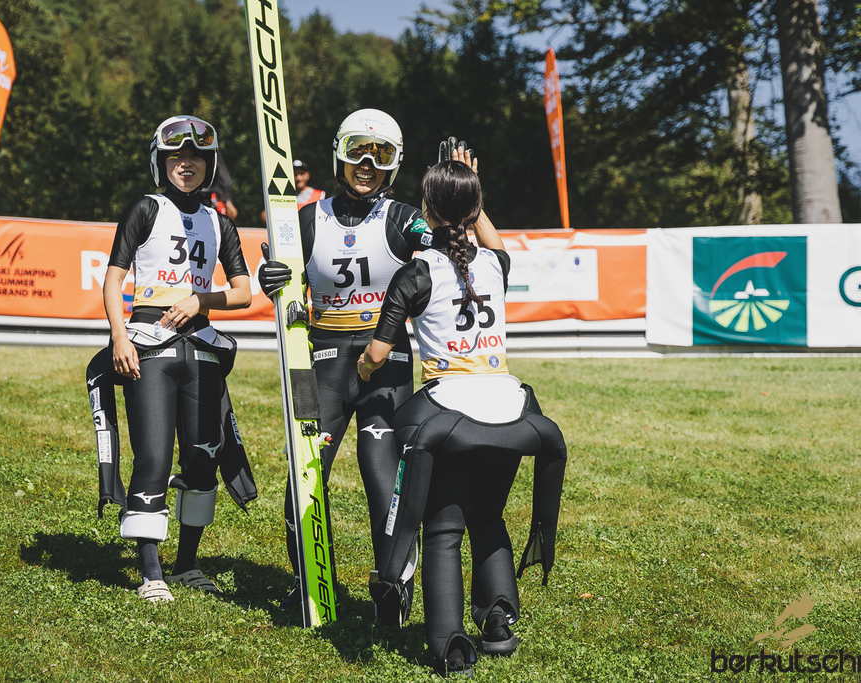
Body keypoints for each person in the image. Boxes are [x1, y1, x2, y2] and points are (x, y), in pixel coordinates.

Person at [359, 156, 568, 678]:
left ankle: (449, 643)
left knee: (444, 529)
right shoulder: (496, 264)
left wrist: (360, 369)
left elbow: (379, 354)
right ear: (475, 210)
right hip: (510, 407)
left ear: (427, 211)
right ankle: (498, 621)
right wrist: (474, 199)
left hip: (451, 411)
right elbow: (494, 242)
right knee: (489, 515)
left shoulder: (416, 273)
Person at [257, 108, 431, 610]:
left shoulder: (403, 218)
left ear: (395, 164)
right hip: (323, 361)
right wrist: (274, 278)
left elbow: (443, 255)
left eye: (381, 155)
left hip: (385, 362)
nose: (367, 165)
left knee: (382, 476)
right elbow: (285, 281)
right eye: (358, 151)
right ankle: (309, 581)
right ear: (339, 154)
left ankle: (394, 587)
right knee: (305, 473)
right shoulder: (306, 219)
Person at [93, 115, 255, 603]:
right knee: (154, 456)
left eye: (196, 158)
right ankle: (151, 572)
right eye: (176, 157)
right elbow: (114, 279)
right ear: (160, 163)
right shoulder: (145, 208)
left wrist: (200, 300)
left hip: (201, 349)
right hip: (149, 347)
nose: (187, 164)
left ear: (210, 165)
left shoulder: (220, 222)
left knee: (202, 460)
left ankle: (186, 565)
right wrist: (119, 338)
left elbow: (243, 292)